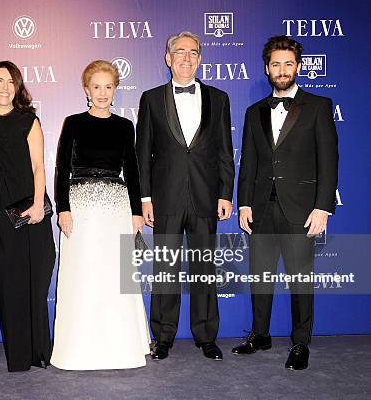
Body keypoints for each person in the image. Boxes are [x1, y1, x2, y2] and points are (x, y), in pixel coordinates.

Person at [233, 35, 338, 370]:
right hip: (261, 208)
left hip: (302, 210)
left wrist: (323, 207)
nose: (281, 70)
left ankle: (300, 342)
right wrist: (244, 204)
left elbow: (329, 161)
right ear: (267, 68)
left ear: (298, 67)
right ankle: (260, 335)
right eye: (275, 64)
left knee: (300, 280)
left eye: (288, 63)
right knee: (260, 277)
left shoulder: (318, 106)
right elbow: (248, 162)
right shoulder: (253, 113)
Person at [136, 31, 235, 361]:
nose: (187, 57)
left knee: (205, 269)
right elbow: (143, 152)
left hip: (207, 196)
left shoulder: (219, 98)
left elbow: (224, 151)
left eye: (193, 52)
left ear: (200, 58)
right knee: (165, 269)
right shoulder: (151, 99)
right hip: (165, 197)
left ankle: (207, 336)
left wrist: (225, 193)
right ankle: (163, 336)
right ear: (168, 58)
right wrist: (145, 198)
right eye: (180, 51)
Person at [51, 60, 150, 370]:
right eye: (97, 86)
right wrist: (63, 208)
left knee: (115, 275)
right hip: (81, 207)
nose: (103, 92)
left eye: (109, 86)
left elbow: (132, 171)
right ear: (86, 90)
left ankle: (121, 344)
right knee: (82, 274)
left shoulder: (124, 126)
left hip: (116, 206)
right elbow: (61, 168)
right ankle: (79, 346)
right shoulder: (73, 122)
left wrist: (136, 212)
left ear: (116, 89)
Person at [0, 61, 56, 372]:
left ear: (18, 86)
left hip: (31, 202)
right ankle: (19, 355)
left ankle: (39, 350)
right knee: (9, 280)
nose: (5, 87)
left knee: (36, 277)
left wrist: (38, 204)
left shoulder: (28, 120)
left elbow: (38, 166)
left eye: (10, 81)